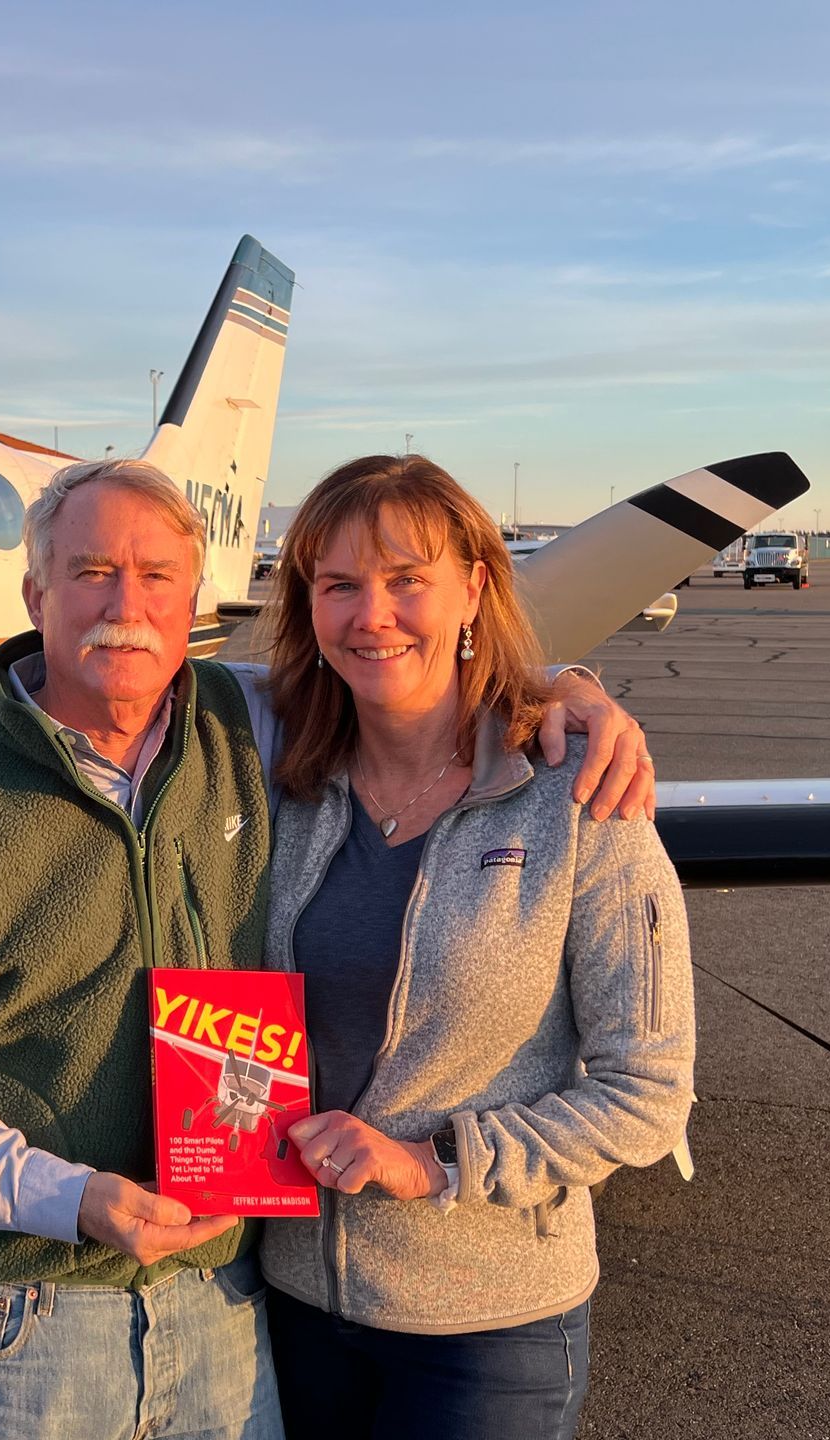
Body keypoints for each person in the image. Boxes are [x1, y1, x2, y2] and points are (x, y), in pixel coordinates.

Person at [0, 458, 656, 1440]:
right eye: (90, 572)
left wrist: (561, 688)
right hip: (27, 1321)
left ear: (194, 600)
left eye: (157, 575)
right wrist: (72, 1199)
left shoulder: (244, 719)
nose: (127, 605)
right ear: (35, 593)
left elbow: (401, 670)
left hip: (226, 1301)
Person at [256, 455, 695, 1440]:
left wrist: (436, 1163)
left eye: (408, 578)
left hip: (488, 1329)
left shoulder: (579, 795)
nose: (374, 614)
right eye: (339, 585)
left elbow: (649, 1091)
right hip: (289, 1303)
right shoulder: (277, 776)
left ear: (476, 588)